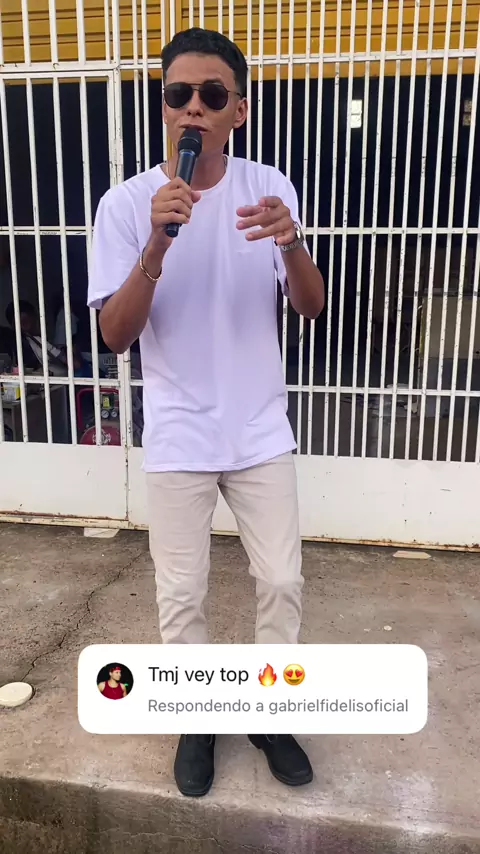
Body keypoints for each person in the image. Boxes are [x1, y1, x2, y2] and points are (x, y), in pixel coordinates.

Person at [87, 27, 325, 797]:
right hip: (180, 432)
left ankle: (268, 709)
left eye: (212, 94)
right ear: (163, 106)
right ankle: (197, 715)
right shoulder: (126, 205)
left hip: (259, 428)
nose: (194, 107)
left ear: (238, 110)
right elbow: (115, 335)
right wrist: (156, 247)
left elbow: (311, 306)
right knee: (181, 596)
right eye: (178, 94)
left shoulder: (269, 187)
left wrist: (291, 244)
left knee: (282, 581)